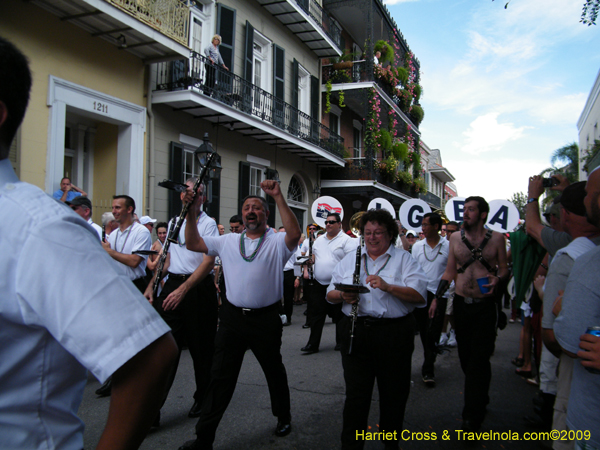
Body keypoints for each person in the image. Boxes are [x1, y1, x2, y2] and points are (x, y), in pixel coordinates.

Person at [0, 35, 177, 450]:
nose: (113, 211)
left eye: (120, 205)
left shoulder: (39, 230)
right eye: (110, 205)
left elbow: (151, 355)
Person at [178, 180, 301, 450]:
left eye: (257, 207)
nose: (251, 211)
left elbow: (295, 233)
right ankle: (204, 438)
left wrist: (279, 196)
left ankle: (283, 415)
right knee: (219, 377)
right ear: (242, 215)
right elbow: (193, 242)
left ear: (266, 215)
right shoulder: (228, 240)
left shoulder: (278, 241)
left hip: (265, 320)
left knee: (273, 370)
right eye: (247, 208)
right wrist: (190, 211)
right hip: (233, 319)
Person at [327, 209, 427, 450]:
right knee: (356, 397)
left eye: (378, 233)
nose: (372, 237)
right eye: (368, 233)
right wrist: (343, 294)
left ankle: (390, 445)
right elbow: (329, 295)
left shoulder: (404, 259)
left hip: (394, 334)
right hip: (356, 331)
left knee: (393, 396)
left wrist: (389, 287)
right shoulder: (351, 259)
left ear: (390, 234)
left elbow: (419, 296)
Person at [144, 181, 219, 421]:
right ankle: (152, 407)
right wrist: (151, 286)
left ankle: (203, 397)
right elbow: (166, 259)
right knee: (166, 348)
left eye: (195, 193)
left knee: (201, 349)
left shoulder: (208, 225)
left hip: (198, 288)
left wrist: (185, 289)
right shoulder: (175, 223)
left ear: (202, 199)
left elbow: (208, 261)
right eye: (186, 192)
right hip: (174, 285)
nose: (189, 196)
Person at [433, 196, 508, 432]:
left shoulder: (496, 239)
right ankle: (480, 395)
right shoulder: (455, 238)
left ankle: (471, 416)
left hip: (485, 307)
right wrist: (437, 298)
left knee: (479, 359)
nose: (465, 213)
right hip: (462, 304)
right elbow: (449, 272)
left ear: (483, 214)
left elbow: (505, 269)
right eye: (464, 209)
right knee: (467, 358)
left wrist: (499, 279)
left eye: (471, 210)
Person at [554, 166, 600, 450]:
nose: (584, 200)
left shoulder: (587, 263)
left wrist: (561, 308)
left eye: (589, 192)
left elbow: (570, 343)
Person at [301, 213, 358, 354]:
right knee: (316, 315)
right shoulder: (319, 240)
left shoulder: (347, 240)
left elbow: (350, 262)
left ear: (339, 224)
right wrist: (310, 262)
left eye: (332, 222)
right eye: (326, 222)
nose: (328, 224)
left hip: (337, 284)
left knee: (339, 316)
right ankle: (312, 344)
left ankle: (340, 342)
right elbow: (314, 256)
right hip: (319, 283)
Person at [411, 212, 450, 387]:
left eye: (426, 224)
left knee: (432, 333)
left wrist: (438, 296)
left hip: (439, 295)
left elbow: (451, 273)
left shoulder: (448, 246)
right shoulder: (417, 247)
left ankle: (428, 369)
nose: (423, 228)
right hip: (420, 294)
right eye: (422, 224)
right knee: (420, 331)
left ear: (436, 227)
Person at [103, 195, 152, 292]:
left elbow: (134, 261)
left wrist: (109, 251)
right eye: (112, 208)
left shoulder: (141, 231)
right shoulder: (113, 234)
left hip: (135, 285)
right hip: (116, 285)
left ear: (129, 209)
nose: (113, 211)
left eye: (117, 207)